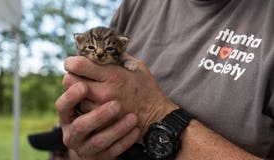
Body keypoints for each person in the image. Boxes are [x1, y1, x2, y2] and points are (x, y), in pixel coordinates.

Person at [55, 0, 274, 160]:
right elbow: (83, 147)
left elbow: (145, 111)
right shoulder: (137, 6)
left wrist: (155, 116)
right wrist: (84, 143)